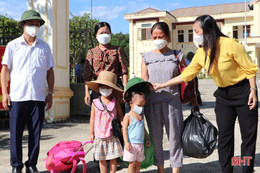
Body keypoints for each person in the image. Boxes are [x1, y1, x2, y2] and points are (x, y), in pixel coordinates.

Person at [153, 15, 258, 173]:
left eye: (196, 31)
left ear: (208, 30)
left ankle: (246, 169)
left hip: (243, 92)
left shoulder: (230, 44)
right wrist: (163, 84)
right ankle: (227, 169)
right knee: (224, 138)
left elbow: (249, 69)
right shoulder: (202, 53)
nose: (195, 35)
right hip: (223, 96)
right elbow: (187, 74)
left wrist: (253, 91)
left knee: (248, 137)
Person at [1, 10, 55, 173]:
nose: (34, 27)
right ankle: (16, 165)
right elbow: (4, 70)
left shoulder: (44, 47)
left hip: (38, 97)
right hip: (17, 97)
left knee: (35, 135)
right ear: (23, 25)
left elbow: (50, 72)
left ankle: (31, 164)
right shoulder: (13, 46)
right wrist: (5, 93)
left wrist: (50, 93)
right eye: (31, 24)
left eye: (37, 24)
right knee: (16, 134)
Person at [141, 22, 196, 173]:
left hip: (173, 102)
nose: (158, 39)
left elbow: (187, 77)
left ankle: (176, 169)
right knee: (156, 139)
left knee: (174, 138)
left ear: (168, 36)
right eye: (155, 37)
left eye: (161, 36)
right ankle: (160, 169)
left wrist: (194, 100)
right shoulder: (146, 57)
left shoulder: (177, 55)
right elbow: (144, 80)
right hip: (152, 103)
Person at [84, 22, 128, 107]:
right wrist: (86, 93)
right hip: (97, 87)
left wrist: (125, 89)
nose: (104, 35)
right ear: (96, 35)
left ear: (110, 34)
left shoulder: (117, 50)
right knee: (99, 114)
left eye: (107, 33)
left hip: (115, 86)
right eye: (101, 33)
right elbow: (87, 76)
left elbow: (124, 71)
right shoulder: (91, 52)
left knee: (117, 115)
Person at [87, 71, 124, 173]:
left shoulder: (115, 101)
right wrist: (91, 132)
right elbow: (92, 119)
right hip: (99, 136)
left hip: (112, 135)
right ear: (99, 87)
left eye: (108, 87)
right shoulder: (95, 103)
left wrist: (122, 124)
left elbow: (120, 115)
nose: (105, 89)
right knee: (101, 158)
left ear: (112, 89)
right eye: (103, 86)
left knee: (113, 157)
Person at [122, 77, 151, 173]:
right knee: (132, 163)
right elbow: (124, 129)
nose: (141, 107)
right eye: (139, 105)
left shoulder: (141, 116)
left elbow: (143, 129)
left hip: (140, 144)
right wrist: (126, 142)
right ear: (131, 103)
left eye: (143, 105)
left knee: (138, 163)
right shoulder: (128, 116)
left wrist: (146, 139)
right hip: (131, 144)